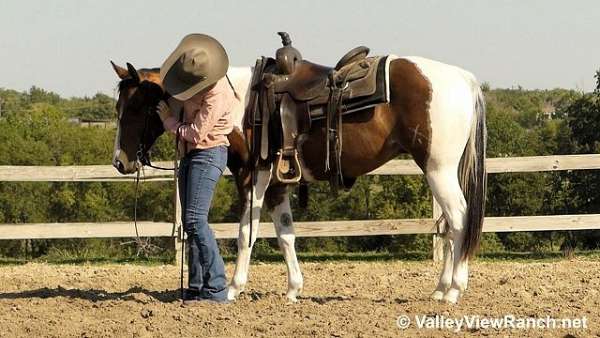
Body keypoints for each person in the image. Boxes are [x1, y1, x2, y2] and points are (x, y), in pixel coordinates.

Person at [156, 33, 236, 304]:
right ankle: (197, 286)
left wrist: (168, 121)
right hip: (192, 157)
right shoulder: (194, 81)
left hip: (208, 154)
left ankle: (216, 288)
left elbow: (196, 134)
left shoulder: (217, 95)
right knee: (191, 223)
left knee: (194, 220)